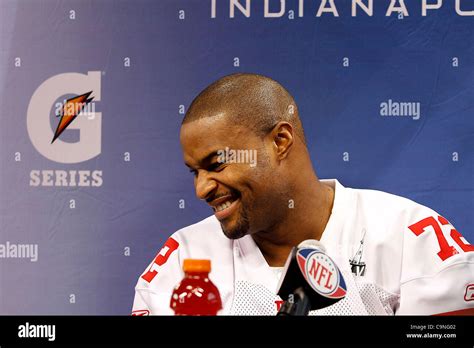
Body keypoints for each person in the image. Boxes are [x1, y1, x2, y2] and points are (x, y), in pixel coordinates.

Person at [132, 73, 474, 315]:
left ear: (280, 142)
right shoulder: (181, 260)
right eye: (196, 172)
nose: (201, 188)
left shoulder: (413, 237)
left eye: (217, 164)